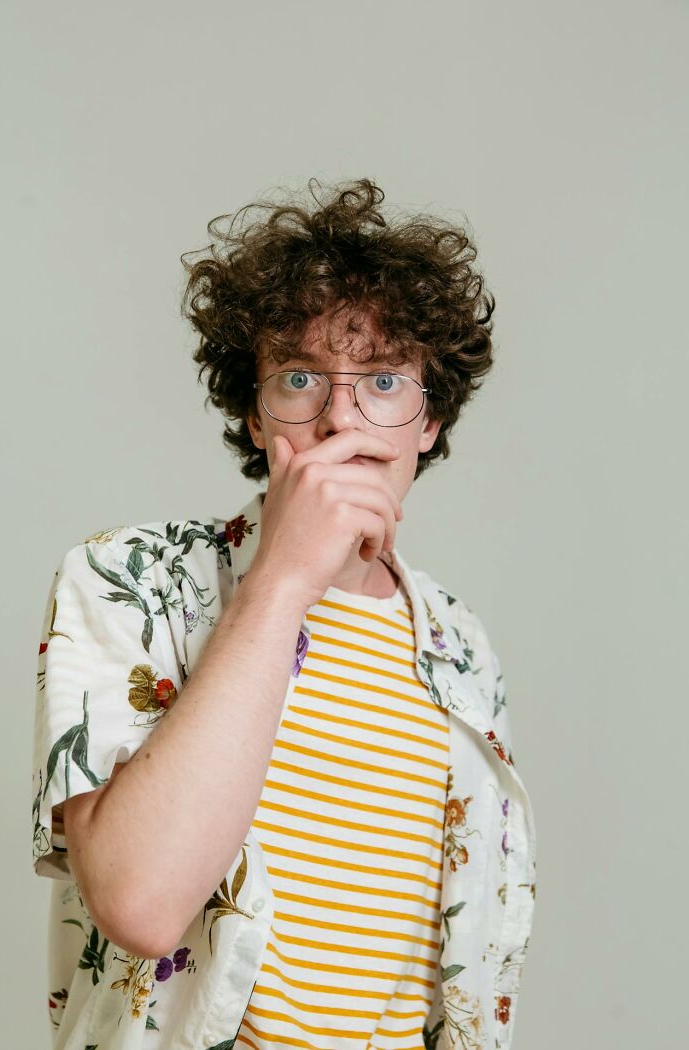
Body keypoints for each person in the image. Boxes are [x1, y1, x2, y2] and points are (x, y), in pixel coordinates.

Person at [32, 177, 536, 1050]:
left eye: (383, 379)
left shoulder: (461, 648)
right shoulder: (127, 579)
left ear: (430, 418)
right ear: (255, 410)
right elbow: (140, 905)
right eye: (300, 377)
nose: (341, 417)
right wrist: (283, 580)